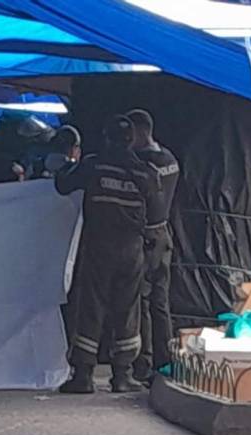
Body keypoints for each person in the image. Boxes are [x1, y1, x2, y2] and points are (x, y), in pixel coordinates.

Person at [55, 115, 160, 394]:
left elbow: (62, 185)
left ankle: (83, 375)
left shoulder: (93, 165)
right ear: (132, 140)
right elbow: (157, 205)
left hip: (100, 247)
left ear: (107, 137)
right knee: (127, 310)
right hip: (132, 249)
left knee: (92, 307)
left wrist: (64, 164)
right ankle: (122, 375)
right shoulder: (145, 172)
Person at [126, 109, 181, 381]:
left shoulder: (142, 165)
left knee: (141, 302)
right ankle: (165, 360)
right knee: (160, 301)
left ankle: (143, 363)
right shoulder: (170, 159)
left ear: (138, 132)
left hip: (145, 240)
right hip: (164, 237)